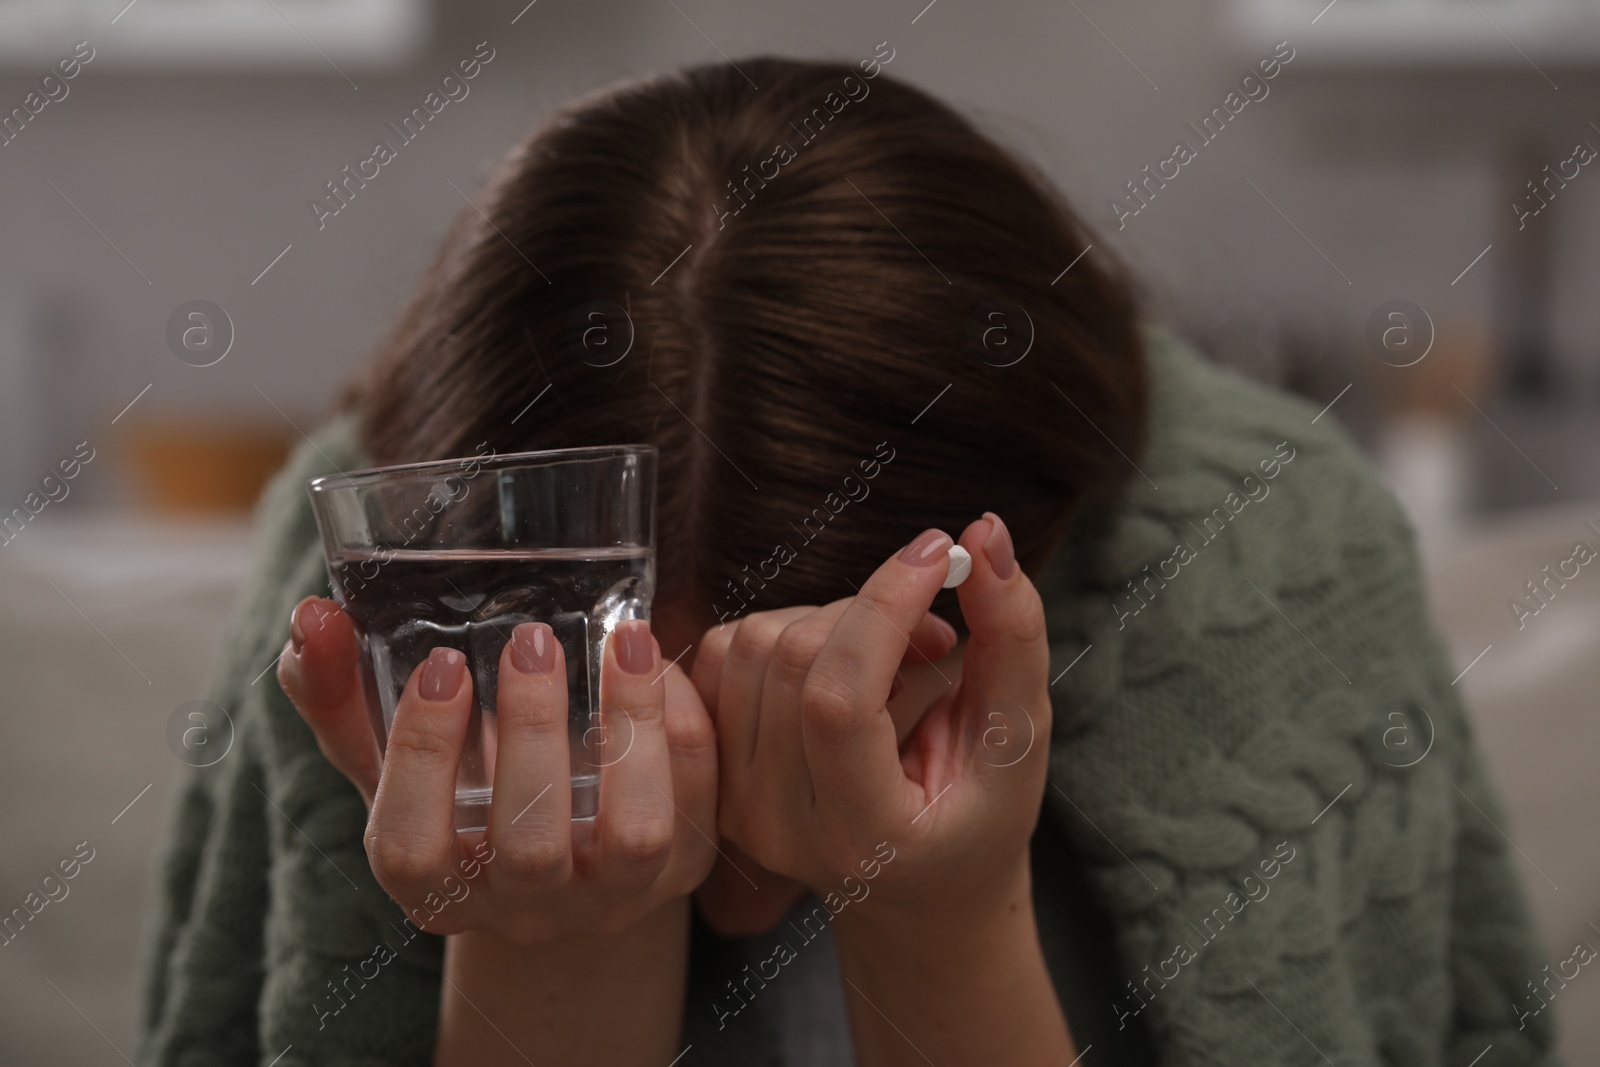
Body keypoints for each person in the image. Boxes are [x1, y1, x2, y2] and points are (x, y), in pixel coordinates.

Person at [138, 56, 1558, 1067]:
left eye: (833, 710)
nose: (737, 860)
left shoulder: (1268, 547)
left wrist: (935, 918)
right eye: (644, 727)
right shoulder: (367, 581)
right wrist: (555, 936)